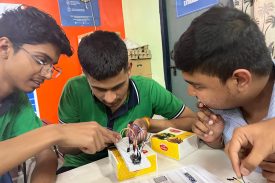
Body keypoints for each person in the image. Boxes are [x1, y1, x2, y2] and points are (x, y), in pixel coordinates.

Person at [0, 6, 120, 183]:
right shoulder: (73, 90)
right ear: (5, 48)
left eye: (51, 65)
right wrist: (56, 133)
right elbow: (47, 140)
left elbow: (45, 153)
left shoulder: (18, 99)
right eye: (41, 60)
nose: (48, 74)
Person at [57, 30, 196, 173]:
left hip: (132, 162)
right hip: (81, 167)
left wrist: (148, 123)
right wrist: (83, 141)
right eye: (99, 89)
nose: (110, 98)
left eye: (118, 86)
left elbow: (192, 120)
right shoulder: (74, 89)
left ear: (129, 69)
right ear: (85, 75)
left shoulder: (148, 89)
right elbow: (62, 147)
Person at [172, 6, 275, 182]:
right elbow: (225, 146)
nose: (190, 92)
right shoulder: (223, 106)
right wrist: (216, 139)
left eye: (198, 85)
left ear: (240, 80)